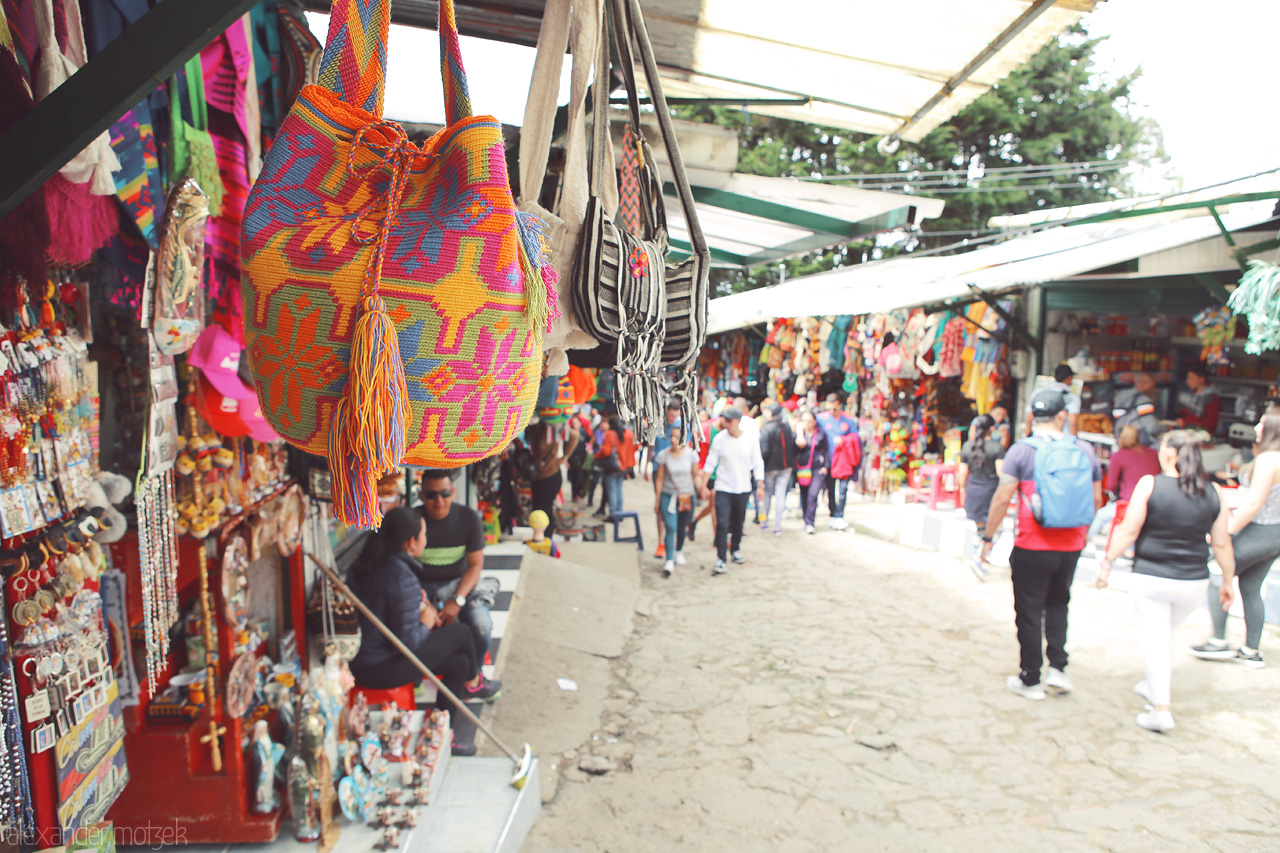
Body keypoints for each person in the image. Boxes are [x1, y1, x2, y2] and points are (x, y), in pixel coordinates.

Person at [1097, 430, 1235, 731]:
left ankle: (1160, 710)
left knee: (1156, 639)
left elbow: (1129, 530)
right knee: (1163, 634)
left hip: (1151, 578)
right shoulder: (1214, 491)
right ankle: (1151, 683)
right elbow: (1222, 543)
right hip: (1193, 583)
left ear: (1170, 453)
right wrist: (1227, 580)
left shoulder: (1150, 485)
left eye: (1161, 447)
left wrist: (1107, 561)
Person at [981, 389, 1103, 700]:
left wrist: (988, 537)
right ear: (1063, 415)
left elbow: (1001, 498)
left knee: (1029, 610)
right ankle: (1058, 669)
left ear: (1034, 417)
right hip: (1071, 545)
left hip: (1032, 544)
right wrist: (1084, 532)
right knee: (1059, 603)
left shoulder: (1021, 452)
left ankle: (1031, 677)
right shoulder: (1085, 450)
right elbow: (1097, 498)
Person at [346, 506, 495, 755]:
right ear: (411, 542)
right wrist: (425, 621)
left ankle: (443, 735)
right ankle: (473, 681)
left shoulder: (367, 563)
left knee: (458, 663)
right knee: (461, 634)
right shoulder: (399, 575)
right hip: (378, 667)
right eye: (424, 535)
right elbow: (405, 643)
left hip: (365, 659)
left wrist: (416, 606)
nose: (427, 540)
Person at [1192, 406, 1280, 667]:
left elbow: (1254, 505)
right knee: (1251, 588)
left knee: (1218, 573)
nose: (1257, 426)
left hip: (1261, 530)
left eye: (1262, 421)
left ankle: (1218, 641)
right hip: (1273, 532)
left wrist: (1225, 531)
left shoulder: (1268, 459)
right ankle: (1251, 650)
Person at [413, 470, 501, 698]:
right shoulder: (413, 521)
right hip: (420, 586)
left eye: (444, 494)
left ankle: (474, 676)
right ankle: (414, 676)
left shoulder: (468, 518)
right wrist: (423, 603)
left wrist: (458, 600)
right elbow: (403, 567)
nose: (439, 501)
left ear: (453, 492)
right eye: (431, 495)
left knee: (482, 626)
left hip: (458, 584)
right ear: (421, 495)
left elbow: (475, 566)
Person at [702, 407, 764, 575]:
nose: (726, 424)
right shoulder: (720, 439)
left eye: (729, 421)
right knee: (722, 524)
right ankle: (721, 558)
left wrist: (760, 484)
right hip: (723, 487)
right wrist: (703, 485)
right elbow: (710, 462)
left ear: (737, 421)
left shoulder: (750, 439)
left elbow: (757, 462)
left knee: (738, 522)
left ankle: (735, 549)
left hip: (743, 488)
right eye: (724, 420)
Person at [1087, 425, 1162, 546]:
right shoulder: (1153, 454)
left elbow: (1111, 485)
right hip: (1153, 504)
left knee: (1101, 515)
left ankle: (1085, 541)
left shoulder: (1120, 455)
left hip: (1128, 504)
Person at [654, 421, 705, 577]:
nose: (673, 440)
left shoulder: (691, 455)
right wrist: (657, 500)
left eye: (677, 437)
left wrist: (701, 489)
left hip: (686, 496)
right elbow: (660, 479)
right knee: (671, 526)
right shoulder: (663, 455)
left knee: (683, 526)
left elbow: (695, 475)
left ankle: (678, 551)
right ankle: (669, 560)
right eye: (672, 436)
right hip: (668, 496)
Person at [817, 394, 860, 530]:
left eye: (834, 409)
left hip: (844, 461)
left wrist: (845, 440)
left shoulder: (849, 420)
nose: (831, 412)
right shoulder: (821, 419)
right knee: (830, 490)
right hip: (828, 460)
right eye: (828, 409)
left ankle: (840, 515)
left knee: (843, 489)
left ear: (839, 406)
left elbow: (856, 438)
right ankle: (832, 514)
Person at [958, 414, 1006, 529]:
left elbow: (962, 473)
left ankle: (979, 544)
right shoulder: (997, 447)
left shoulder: (967, 446)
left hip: (973, 490)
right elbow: (1001, 473)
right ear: (992, 429)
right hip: (991, 492)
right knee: (993, 527)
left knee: (978, 527)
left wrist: (963, 489)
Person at [529, 423, 578, 535]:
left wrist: (564, 457)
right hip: (537, 475)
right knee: (539, 509)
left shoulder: (552, 427)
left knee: (544, 509)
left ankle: (546, 537)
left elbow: (574, 436)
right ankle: (541, 537)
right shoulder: (536, 427)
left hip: (550, 475)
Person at [647, 401, 682, 558]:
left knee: (679, 505)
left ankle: (673, 539)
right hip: (659, 469)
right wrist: (647, 465)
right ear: (667, 412)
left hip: (677, 472)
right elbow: (651, 446)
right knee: (661, 506)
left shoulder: (682, 426)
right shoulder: (657, 425)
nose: (674, 417)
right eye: (672, 414)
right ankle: (661, 542)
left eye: (676, 414)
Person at [758, 401, 796, 536]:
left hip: (771, 468)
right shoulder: (786, 427)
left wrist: (761, 467)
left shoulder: (767, 428)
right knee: (780, 496)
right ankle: (777, 525)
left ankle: (764, 522)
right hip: (785, 468)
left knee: (767, 494)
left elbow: (765, 450)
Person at [793, 409, 831, 535]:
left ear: (814, 422)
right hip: (803, 469)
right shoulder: (799, 434)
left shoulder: (820, 433)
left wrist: (826, 466)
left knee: (813, 495)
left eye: (809, 421)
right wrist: (798, 436)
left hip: (817, 468)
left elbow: (826, 450)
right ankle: (806, 518)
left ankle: (810, 522)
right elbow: (792, 450)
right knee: (804, 495)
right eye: (804, 421)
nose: (807, 423)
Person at [1027, 364, 1081, 435]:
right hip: (1062, 441)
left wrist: (1026, 437)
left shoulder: (1038, 393)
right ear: (1069, 378)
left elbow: (1029, 419)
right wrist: (1072, 442)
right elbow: (1073, 423)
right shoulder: (1072, 398)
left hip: (1039, 438)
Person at [1114, 372, 1162, 449]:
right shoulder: (1143, 400)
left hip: (1121, 442)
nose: (1153, 391)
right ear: (1143, 383)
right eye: (1152, 387)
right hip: (1139, 446)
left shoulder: (1120, 397)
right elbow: (1152, 428)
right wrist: (1166, 427)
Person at [593, 418, 625, 520]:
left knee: (612, 491)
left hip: (612, 467)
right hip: (622, 466)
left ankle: (613, 515)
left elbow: (606, 452)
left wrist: (596, 456)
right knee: (619, 489)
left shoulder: (610, 434)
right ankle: (619, 513)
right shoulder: (626, 433)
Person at [1177, 363, 1221, 434]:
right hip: (1189, 434)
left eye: (1191, 378)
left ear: (1201, 379)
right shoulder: (1194, 394)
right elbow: (1190, 414)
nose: (1187, 381)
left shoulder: (1211, 398)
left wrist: (1186, 423)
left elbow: (1211, 423)